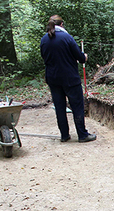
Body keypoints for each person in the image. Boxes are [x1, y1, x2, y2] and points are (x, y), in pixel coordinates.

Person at [40, 15, 96, 143]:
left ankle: (64, 135)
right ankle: (82, 134)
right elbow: (80, 57)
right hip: (70, 78)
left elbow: (44, 58)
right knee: (77, 106)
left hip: (53, 79)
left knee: (60, 107)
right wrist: (85, 57)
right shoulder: (67, 38)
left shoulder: (44, 40)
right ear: (62, 24)